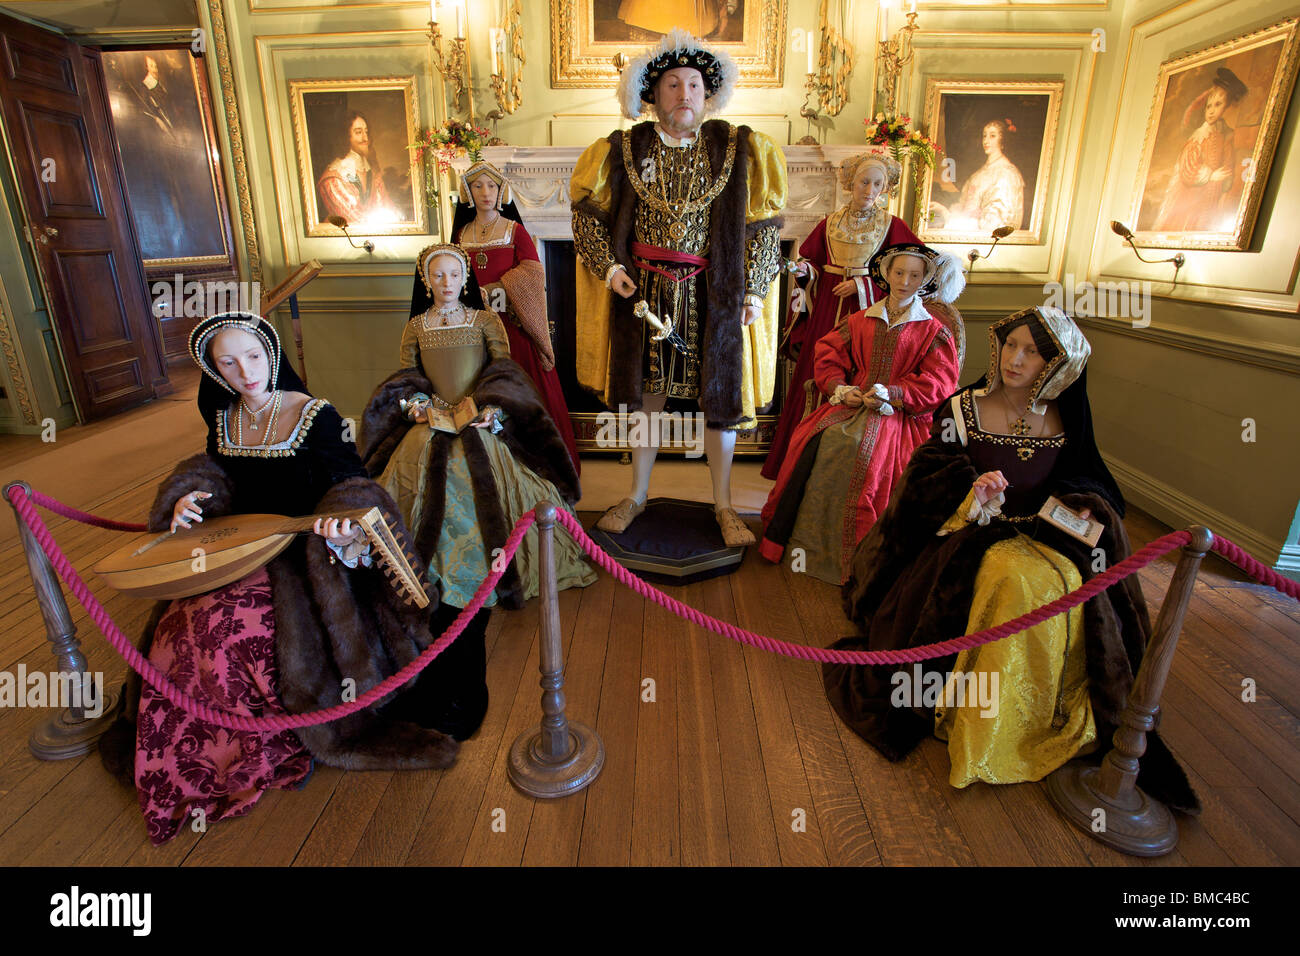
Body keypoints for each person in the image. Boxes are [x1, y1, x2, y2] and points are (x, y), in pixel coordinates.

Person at [99, 312, 465, 845]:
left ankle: (259, 736)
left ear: (271, 355)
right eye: (228, 361)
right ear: (214, 370)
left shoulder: (314, 415)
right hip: (238, 547)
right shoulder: (224, 418)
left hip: (307, 556)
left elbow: (351, 480)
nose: (245, 371)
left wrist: (340, 519)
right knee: (183, 625)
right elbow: (217, 473)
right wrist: (190, 496)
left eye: (252, 356)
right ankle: (197, 752)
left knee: (230, 632)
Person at [822, 307, 1199, 812]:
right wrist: (969, 488)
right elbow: (925, 476)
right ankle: (981, 725)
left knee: (1070, 583)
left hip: (1046, 537)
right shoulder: (964, 408)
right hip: (967, 532)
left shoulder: (1066, 417)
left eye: (1033, 351)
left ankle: (1050, 716)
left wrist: (1080, 505)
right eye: (1010, 345)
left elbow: (1090, 480)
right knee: (1011, 583)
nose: (1014, 360)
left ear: (1059, 365)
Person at [570, 28, 787, 547]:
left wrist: (753, 291)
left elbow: (762, 225)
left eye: (693, 84)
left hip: (714, 295)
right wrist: (608, 268)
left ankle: (726, 505)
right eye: (673, 84)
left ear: (707, 94)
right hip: (643, 293)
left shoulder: (739, 148)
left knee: (721, 400)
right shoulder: (622, 148)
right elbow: (586, 218)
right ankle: (637, 494)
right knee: (649, 398)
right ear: (654, 93)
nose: (684, 93)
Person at [362, 245, 595, 626]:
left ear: (465, 277)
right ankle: (427, 573)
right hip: (431, 420)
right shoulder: (416, 327)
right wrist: (418, 405)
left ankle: (502, 571)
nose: (446, 282)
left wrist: (491, 408)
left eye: (454, 274)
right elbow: (408, 378)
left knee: (488, 458)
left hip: (479, 417)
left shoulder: (485, 321)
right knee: (414, 463)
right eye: (437, 275)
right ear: (426, 280)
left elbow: (501, 372)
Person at [759, 243, 964, 584]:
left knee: (864, 455)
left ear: (924, 279)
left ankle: (858, 560)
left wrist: (895, 394)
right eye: (899, 273)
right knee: (814, 440)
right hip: (853, 403)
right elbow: (827, 353)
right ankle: (800, 543)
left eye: (914, 275)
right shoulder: (860, 318)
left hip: (901, 416)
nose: (904, 281)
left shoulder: (932, 330)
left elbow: (939, 382)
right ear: (886, 274)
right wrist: (840, 387)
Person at [407, 160, 581, 474]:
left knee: (518, 390)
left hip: (513, 327)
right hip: (474, 332)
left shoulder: (514, 231)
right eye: (477, 186)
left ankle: (536, 468)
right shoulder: (461, 234)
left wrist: (501, 287)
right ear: (468, 193)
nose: (485, 193)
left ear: (501, 191)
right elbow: (453, 273)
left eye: (491, 186)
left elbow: (532, 271)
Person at [762, 149, 919, 480]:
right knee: (818, 366)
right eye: (864, 182)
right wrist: (803, 268)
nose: (870, 190)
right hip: (827, 305)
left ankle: (851, 459)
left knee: (858, 368)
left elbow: (907, 269)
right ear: (851, 183)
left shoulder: (892, 225)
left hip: (867, 310)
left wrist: (862, 285)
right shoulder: (830, 222)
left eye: (877, 184)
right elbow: (814, 262)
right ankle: (802, 456)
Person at [1152, 67, 1248, 233]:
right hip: (1189, 199)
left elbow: (1228, 163)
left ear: (1226, 107)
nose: (1211, 111)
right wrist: (1211, 175)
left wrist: (1225, 179)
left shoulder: (1226, 135)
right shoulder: (1199, 136)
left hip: (1210, 197)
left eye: (1218, 105)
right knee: (1183, 226)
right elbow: (1187, 169)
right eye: (1208, 106)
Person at [940, 118, 1025, 232]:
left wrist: (950, 217)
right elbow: (963, 206)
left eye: (992, 136)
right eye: (984, 136)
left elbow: (997, 222)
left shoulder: (1006, 174)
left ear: (1003, 139)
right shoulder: (977, 175)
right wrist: (945, 213)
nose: (986, 141)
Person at [317, 111, 393, 225]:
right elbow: (352, 218)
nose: (365, 138)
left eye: (366, 132)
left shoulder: (372, 173)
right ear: (345, 136)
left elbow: (387, 209)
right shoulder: (333, 179)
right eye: (358, 132)